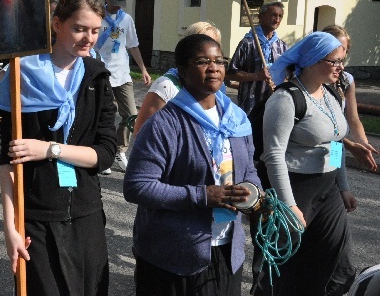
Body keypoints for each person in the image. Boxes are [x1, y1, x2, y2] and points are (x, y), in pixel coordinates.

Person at [0, 0, 117, 295]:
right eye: (79, 28)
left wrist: (49, 149)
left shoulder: (97, 77)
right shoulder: (22, 75)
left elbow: (105, 153)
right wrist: (10, 227)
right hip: (37, 214)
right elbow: (8, 163)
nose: (88, 38)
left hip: (86, 212)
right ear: (57, 23)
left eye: (95, 31)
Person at [124, 33, 261, 296]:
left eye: (219, 61)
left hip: (227, 250)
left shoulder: (237, 119)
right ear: (183, 71)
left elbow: (250, 170)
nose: (214, 67)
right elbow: (137, 187)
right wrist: (202, 195)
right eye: (202, 61)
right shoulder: (165, 124)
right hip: (173, 256)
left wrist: (253, 194)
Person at [254, 32, 353, 296]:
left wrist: (342, 186)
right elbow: (273, 155)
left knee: (337, 264)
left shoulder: (332, 95)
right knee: (284, 268)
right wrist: (289, 205)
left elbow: (335, 142)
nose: (341, 67)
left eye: (343, 60)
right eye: (335, 61)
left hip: (328, 189)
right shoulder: (285, 100)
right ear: (312, 61)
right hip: (296, 188)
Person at [94, 0, 151, 173]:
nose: (117, 8)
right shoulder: (96, 16)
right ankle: (103, 154)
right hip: (101, 72)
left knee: (130, 114)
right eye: (114, 4)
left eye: (120, 5)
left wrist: (143, 69)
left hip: (122, 74)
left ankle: (120, 150)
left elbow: (133, 46)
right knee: (105, 116)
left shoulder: (126, 19)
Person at [133, 21, 222, 137]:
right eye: (202, 45)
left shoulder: (216, 89)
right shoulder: (167, 86)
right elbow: (141, 134)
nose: (209, 50)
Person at [323, 25, 379, 172]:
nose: (341, 53)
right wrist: (350, 145)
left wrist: (363, 143)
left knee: (336, 176)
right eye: (336, 48)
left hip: (336, 144)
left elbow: (353, 118)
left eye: (345, 49)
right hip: (311, 148)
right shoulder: (311, 78)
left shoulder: (346, 80)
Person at [226, 1, 288, 114]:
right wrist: (257, 76)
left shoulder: (282, 46)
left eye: (280, 16)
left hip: (274, 103)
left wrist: (281, 81)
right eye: (273, 15)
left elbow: (288, 75)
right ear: (261, 17)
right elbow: (230, 73)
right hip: (250, 105)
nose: (277, 19)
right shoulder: (248, 43)